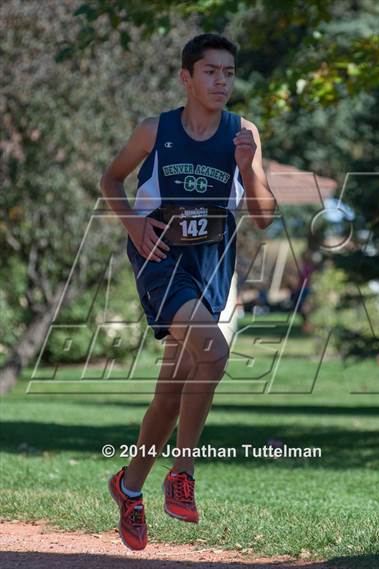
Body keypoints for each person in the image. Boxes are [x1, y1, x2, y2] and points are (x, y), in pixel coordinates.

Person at [100, 33, 276, 551]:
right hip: (161, 259)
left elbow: (264, 218)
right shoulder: (156, 131)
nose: (222, 81)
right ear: (186, 77)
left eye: (228, 72)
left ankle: (129, 486)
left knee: (170, 392)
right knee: (214, 352)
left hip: (211, 266)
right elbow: (111, 180)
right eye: (210, 71)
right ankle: (183, 471)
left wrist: (247, 169)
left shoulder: (244, 133)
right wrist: (133, 225)